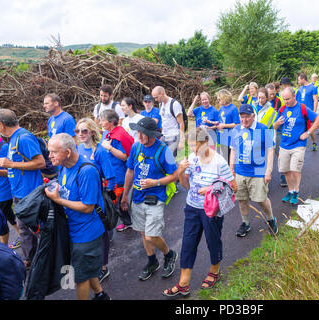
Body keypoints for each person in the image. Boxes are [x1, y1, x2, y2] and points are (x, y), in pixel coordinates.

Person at [163, 127, 236, 297]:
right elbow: (186, 186)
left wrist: (211, 188)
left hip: (211, 210)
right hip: (192, 207)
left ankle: (214, 271)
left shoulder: (219, 162)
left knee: (213, 242)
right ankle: (183, 283)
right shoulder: (191, 159)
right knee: (188, 244)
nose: (193, 150)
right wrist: (180, 172)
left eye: (195, 145)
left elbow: (234, 187)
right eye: (190, 146)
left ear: (205, 142)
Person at [44, 133, 110, 300]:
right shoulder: (64, 165)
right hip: (73, 229)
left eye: (53, 152)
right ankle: (101, 295)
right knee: (86, 269)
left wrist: (58, 200)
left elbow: (87, 207)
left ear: (67, 152)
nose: (49, 155)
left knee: (81, 278)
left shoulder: (86, 171)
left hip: (86, 233)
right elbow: (66, 189)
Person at [121, 117, 178, 281]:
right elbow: (130, 171)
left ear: (151, 134)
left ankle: (169, 254)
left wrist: (156, 182)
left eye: (142, 134)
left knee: (151, 236)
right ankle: (152, 261)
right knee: (143, 232)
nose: (139, 136)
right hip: (137, 198)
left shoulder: (163, 150)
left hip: (156, 198)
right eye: (138, 132)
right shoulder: (136, 146)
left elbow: (174, 176)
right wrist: (125, 195)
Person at [0, 109, 45, 267]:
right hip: (18, 192)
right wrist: (1, 166)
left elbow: (40, 163)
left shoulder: (23, 138)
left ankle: (47, 259)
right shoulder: (12, 139)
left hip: (29, 193)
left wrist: (10, 164)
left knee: (37, 229)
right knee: (23, 229)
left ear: (1, 125)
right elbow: (15, 169)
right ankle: (30, 259)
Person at [75, 118, 116, 283]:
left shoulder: (99, 151)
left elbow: (111, 176)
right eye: (78, 131)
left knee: (102, 233)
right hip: (83, 196)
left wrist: (108, 197)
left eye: (84, 131)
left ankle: (103, 267)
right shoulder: (78, 148)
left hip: (98, 198)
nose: (80, 134)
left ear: (92, 131)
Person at [230, 104, 277, 237]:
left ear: (253, 116)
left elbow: (270, 150)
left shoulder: (262, 129)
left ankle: (271, 219)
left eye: (247, 117)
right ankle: (245, 223)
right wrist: (231, 168)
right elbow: (233, 150)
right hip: (240, 172)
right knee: (242, 199)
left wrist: (268, 171)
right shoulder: (236, 129)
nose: (244, 120)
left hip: (258, 172)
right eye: (241, 117)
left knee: (261, 200)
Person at [272, 88, 319, 205]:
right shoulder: (282, 109)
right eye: (284, 99)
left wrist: (308, 133)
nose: (286, 102)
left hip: (298, 145)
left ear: (294, 96)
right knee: (286, 170)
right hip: (284, 145)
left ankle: (296, 191)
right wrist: (277, 123)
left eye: (288, 99)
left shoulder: (302, 108)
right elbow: (274, 127)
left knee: (295, 169)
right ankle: (290, 191)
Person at [99, 109, 134, 232]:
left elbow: (124, 156)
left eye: (103, 120)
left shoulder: (119, 135)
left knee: (118, 201)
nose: (100, 122)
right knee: (116, 200)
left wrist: (109, 147)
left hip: (119, 174)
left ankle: (128, 222)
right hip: (110, 172)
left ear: (111, 122)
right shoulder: (108, 132)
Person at [0, 126, 18, 245]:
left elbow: (10, 171)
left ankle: (3, 250)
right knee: (9, 216)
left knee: (0, 221)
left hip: (3, 192)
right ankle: (24, 237)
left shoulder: (3, 148)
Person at [151, 86, 185, 158]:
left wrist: (182, 141)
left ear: (162, 93)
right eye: (154, 98)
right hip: (164, 135)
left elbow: (181, 123)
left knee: (170, 160)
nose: (155, 100)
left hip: (173, 136)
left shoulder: (174, 104)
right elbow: (164, 120)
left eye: (156, 97)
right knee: (160, 157)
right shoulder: (161, 104)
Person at [215, 89, 240, 163]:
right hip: (222, 137)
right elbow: (220, 121)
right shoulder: (221, 108)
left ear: (224, 98)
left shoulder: (233, 108)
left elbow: (237, 124)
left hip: (230, 138)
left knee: (230, 159)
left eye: (219, 99)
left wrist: (224, 125)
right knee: (224, 158)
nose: (218, 101)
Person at [296, 73, 319, 151]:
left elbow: (315, 100)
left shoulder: (313, 88)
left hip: (309, 112)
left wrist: (314, 112)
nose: (298, 82)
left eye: (299, 80)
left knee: (311, 129)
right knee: (300, 127)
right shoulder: (299, 89)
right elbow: (296, 101)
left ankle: (314, 142)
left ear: (303, 79)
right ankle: (299, 145)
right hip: (301, 112)